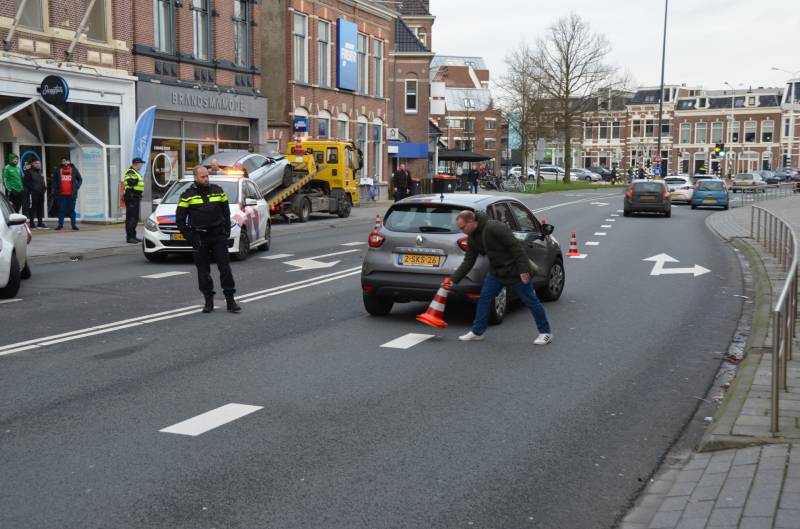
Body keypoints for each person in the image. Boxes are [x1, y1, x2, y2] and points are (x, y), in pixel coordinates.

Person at [443, 210, 552, 345]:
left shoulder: (495, 227)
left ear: (471, 222)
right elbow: (468, 262)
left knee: (530, 300)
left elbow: (516, 248)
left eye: (462, 227)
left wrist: (524, 271)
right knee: (484, 299)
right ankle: (477, 332)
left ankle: (545, 333)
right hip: (497, 272)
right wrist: (453, 279)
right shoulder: (472, 237)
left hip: (516, 271)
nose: (461, 230)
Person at [176, 165, 241, 314]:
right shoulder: (187, 195)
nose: (206, 179)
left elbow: (226, 212)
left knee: (225, 268)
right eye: (202, 177)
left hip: (218, 236)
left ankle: (230, 300)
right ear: (195, 178)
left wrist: (226, 233)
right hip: (200, 238)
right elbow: (180, 220)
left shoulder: (217, 190)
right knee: (203, 272)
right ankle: (208, 300)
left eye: (207, 176)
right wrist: (191, 238)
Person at [50, 156, 82, 230]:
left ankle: (73, 225)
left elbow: (80, 179)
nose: (65, 162)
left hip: (72, 194)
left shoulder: (74, 169)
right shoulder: (58, 170)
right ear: (61, 162)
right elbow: (54, 181)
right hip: (61, 195)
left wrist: (76, 187)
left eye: (66, 161)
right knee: (61, 210)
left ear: (69, 161)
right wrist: (55, 190)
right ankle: (60, 225)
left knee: (72, 210)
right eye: (63, 161)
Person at [123, 157, 145, 243]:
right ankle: (129, 237)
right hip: (131, 197)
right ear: (137, 163)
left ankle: (133, 236)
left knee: (134, 218)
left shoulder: (135, 172)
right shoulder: (130, 172)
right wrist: (135, 179)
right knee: (131, 218)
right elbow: (131, 182)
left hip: (135, 197)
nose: (141, 165)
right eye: (141, 164)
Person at [23, 159, 47, 228]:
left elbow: (42, 182)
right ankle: (32, 223)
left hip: (40, 193)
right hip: (32, 193)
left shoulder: (39, 172)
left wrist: (44, 189)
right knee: (32, 208)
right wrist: (32, 190)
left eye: (39, 163)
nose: (38, 164)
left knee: (40, 208)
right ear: (32, 164)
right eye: (36, 163)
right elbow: (25, 183)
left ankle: (40, 222)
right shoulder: (29, 172)